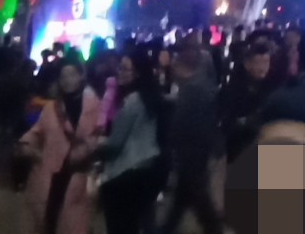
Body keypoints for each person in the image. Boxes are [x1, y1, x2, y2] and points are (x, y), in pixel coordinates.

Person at [19, 60, 102, 234]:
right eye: (63, 76)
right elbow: (38, 130)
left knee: (74, 220)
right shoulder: (51, 107)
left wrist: (86, 151)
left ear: (80, 77)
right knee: (49, 217)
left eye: (72, 75)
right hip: (52, 170)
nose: (67, 80)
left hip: (78, 171)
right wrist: (27, 144)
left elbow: (97, 134)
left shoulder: (93, 105)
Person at [97, 53, 168, 234]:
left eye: (125, 69)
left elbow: (115, 143)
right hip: (148, 168)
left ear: (137, 73)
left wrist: (96, 145)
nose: (119, 72)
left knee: (120, 226)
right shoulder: (151, 98)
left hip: (126, 172)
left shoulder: (132, 101)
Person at [158, 45, 221, 234]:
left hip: (191, 153)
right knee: (184, 197)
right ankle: (167, 229)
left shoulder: (192, 90)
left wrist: (171, 145)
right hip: (197, 151)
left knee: (200, 200)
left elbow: (181, 124)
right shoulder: (200, 87)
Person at [220, 37, 281, 163]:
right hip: (239, 147)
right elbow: (227, 119)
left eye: (266, 62)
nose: (263, 68)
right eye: (258, 63)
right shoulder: (234, 87)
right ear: (247, 64)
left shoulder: (272, 86)